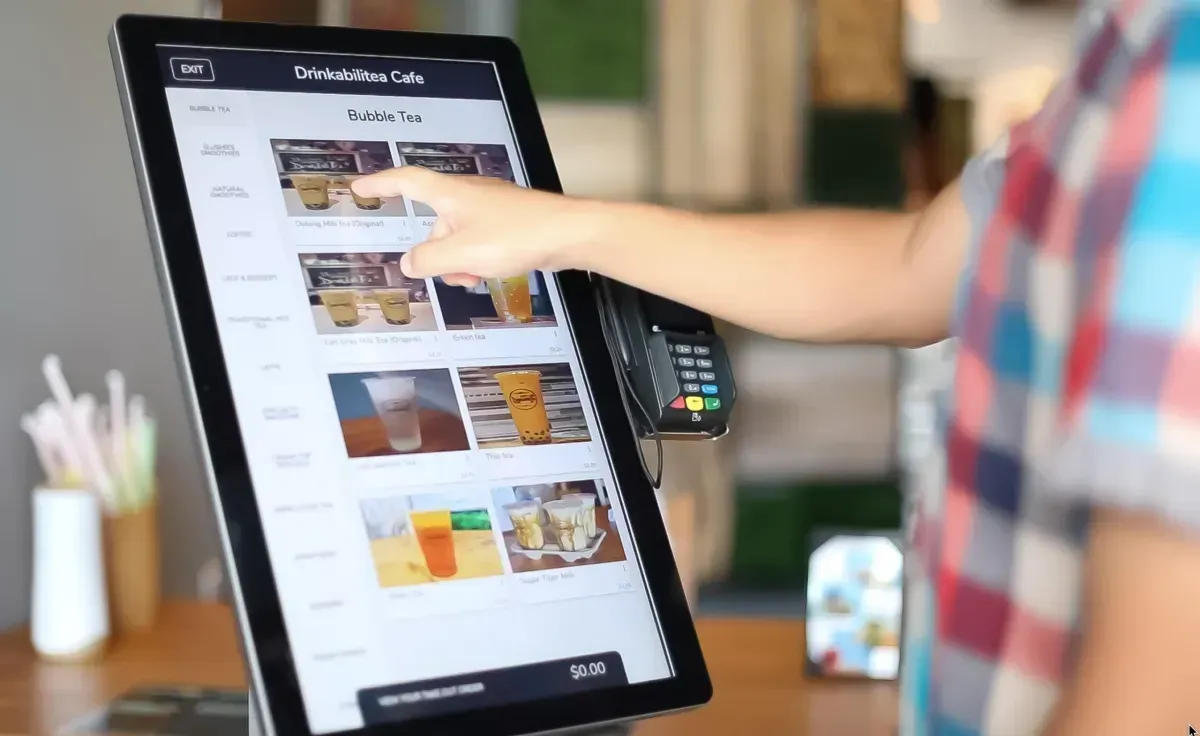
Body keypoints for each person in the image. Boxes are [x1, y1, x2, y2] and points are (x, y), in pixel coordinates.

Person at [352, 1, 1200, 732]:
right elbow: (907, 268)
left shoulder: (1178, 78)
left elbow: (1153, 690)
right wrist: (564, 228)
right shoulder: (1124, 53)